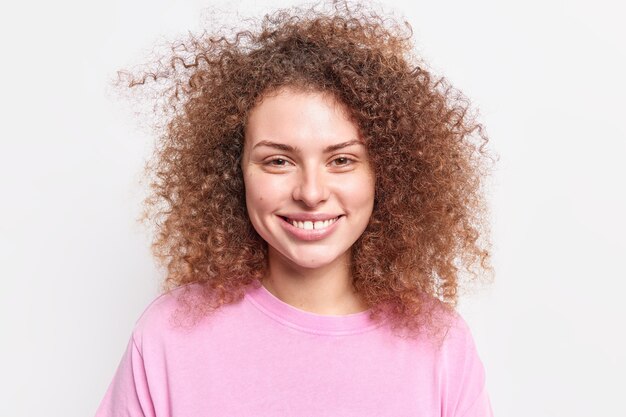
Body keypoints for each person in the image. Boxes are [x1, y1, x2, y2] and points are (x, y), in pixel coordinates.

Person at [95, 1, 495, 416]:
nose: (311, 192)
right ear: (236, 173)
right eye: (278, 161)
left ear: (386, 174)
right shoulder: (168, 336)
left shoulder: (441, 346)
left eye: (341, 160)